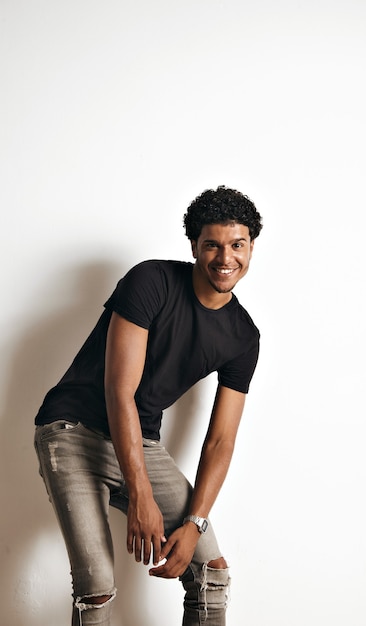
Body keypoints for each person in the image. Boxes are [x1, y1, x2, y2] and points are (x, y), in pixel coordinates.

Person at [34, 185, 263, 626]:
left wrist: (195, 523)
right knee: (97, 586)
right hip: (73, 431)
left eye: (237, 245)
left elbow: (220, 440)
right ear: (194, 245)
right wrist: (139, 495)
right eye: (212, 244)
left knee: (210, 573)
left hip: (141, 440)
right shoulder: (151, 280)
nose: (225, 258)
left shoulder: (243, 337)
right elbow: (118, 390)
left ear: (251, 246)